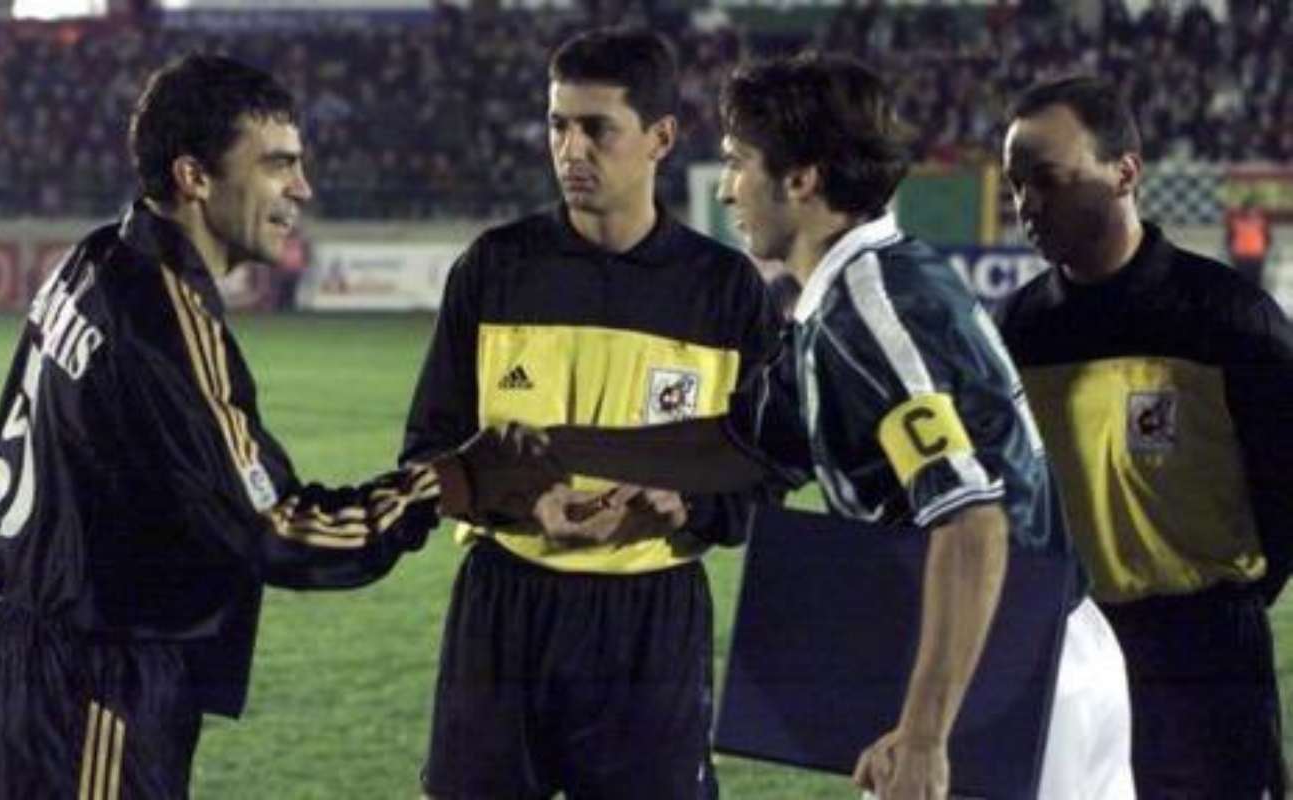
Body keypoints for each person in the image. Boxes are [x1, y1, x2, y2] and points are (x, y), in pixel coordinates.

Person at [460, 53, 1136, 799]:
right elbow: (739, 442)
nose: (724, 190)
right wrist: (560, 445)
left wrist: (924, 734)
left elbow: (973, 523)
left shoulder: (872, 315)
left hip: (1014, 674)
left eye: (737, 163)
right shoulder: (851, 295)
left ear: (803, 179)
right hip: (1016, 654)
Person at [0, 54, 468, 799]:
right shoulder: (164, 317)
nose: (302, 188)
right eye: (278, 166)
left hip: (14, 648)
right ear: (195, 176)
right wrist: (437, 487)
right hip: (96, 676)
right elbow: (277, 527)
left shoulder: (95, 255)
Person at [399, 27, 778, 799]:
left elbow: (764, 467)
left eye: (596, 128)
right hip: (505, 604)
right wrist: (532, 502)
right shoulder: (494, 268)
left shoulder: (726, 291)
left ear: (660, 137)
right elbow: (428, 448)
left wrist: (689, 506)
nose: (571, 150)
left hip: (650, 617)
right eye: (557, 125)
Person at [998, 75, 1291, 799]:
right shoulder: (1014, 331)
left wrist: (1230, 603)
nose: (1026, 204)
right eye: (1014, 185)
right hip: (1065, 647)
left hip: (1205, 658)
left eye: (1047, 180)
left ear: (1125, 170)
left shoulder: (1229, 317)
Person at [1225, 194, 1274, 290]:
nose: (1253, 212)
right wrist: (1231, 251)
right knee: (1241, 279)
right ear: (1245, 210)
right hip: (1240, 255)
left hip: (1257, 255)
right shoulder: (1236, 220)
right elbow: (1229, 237)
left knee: (1256, 280)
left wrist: (1265, 250)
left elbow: (1267, 237)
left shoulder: (1261, 220)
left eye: (1255, 209)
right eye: (1251, 209)